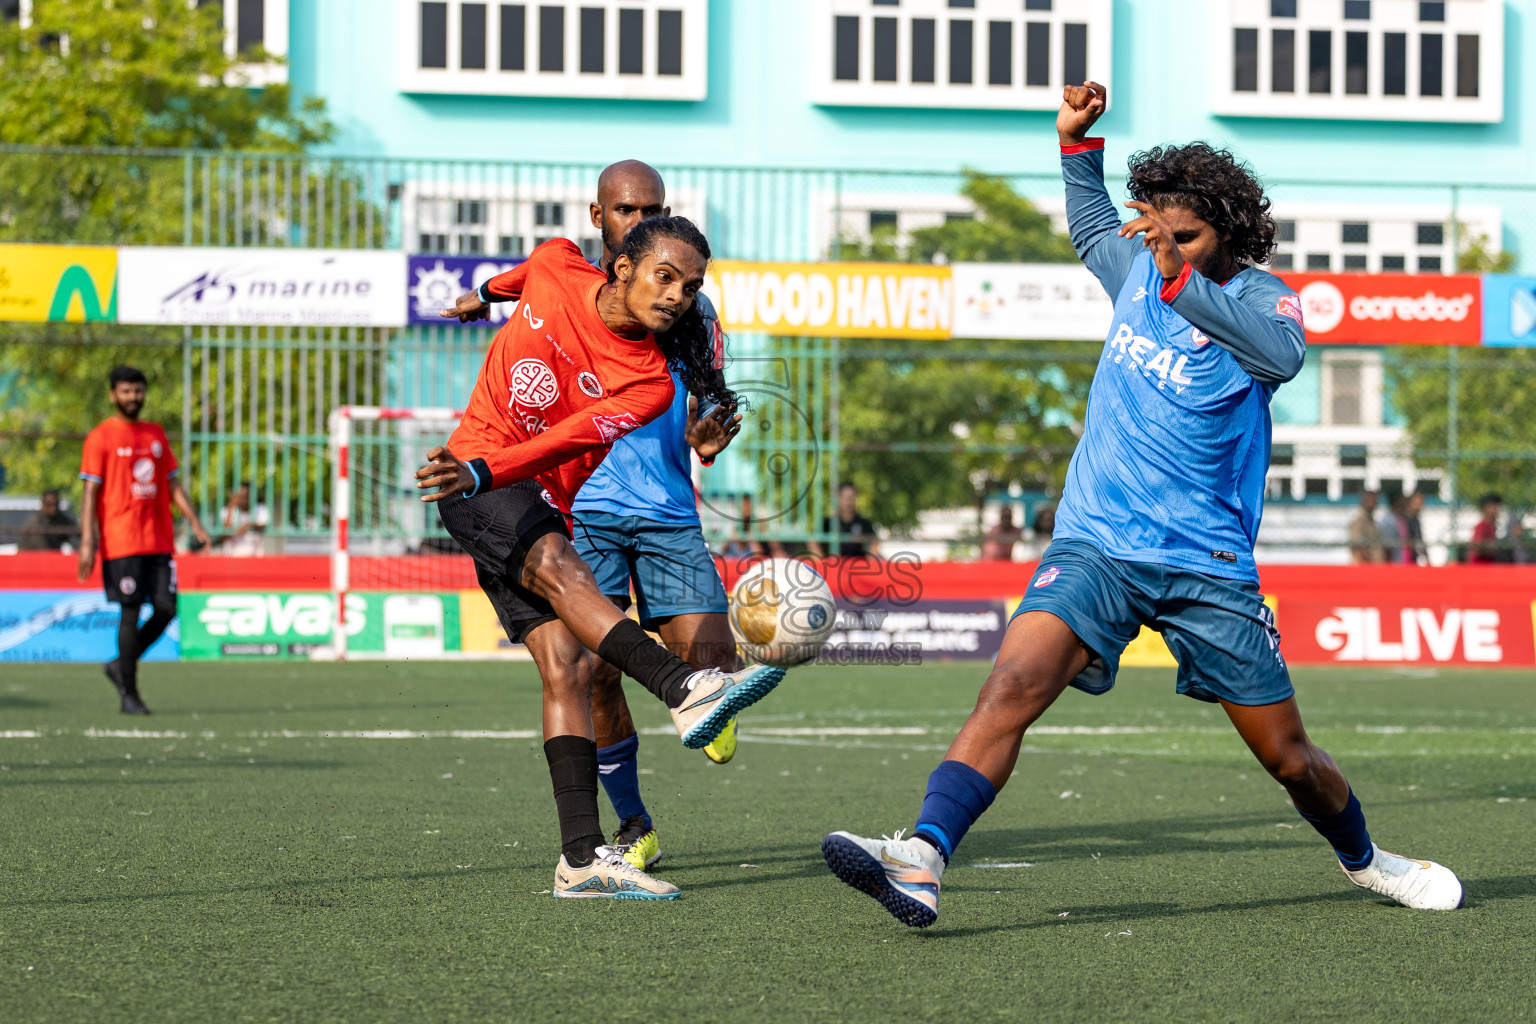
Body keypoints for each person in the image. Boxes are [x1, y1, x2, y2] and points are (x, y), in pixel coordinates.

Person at [821, 81, 1462, 928]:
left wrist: (1175, 276)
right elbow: (1092, 224)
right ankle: (924, 855)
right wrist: (1074, 144)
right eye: (1158, 231)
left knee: (1290, 759)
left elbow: (1281, 359)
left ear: (1227, 231)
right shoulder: (1133, 263)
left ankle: (1369, 860)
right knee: (1011, 682)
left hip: (1208, 564)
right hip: (1097, 542)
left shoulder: (1265, 301)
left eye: (1187, 235)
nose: (1169, 246)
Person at [420, 217, 786, 900]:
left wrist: (485, 471)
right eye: (665, 277)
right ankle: (685, 688)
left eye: (691, 286)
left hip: (505, 483)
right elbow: (525, 271)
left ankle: (581, 859)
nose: (678, 295)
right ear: (621, 267)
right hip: (482, 481)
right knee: (566, 576)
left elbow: (564, 440)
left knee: (568, 668)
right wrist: (484, 292)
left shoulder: (648, 384)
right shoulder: (559, 262)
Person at [568, 161, 747, 873]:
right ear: (599, 217)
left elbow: (712, 404)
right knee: (591, 674)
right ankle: (634, 824)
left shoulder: (692, 311)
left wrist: (706, 440)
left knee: (713, 670)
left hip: (668, 511)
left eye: (653, 209)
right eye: (625, 210)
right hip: (584, 511)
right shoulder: (571, 297)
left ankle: (695, 693)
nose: (639, 222)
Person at [77, 366, 212, 714]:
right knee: (130, 612)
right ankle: (129, 694)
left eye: (137, 391)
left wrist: (194, 521)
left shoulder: (155, 434)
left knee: (167, 608)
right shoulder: (101, 437)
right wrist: (88, 541)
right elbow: (90, 491)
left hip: (159, 541)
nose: (132, 397)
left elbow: (172, 483)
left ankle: (118, 665)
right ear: (113, 395)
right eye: (125, 391)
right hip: (121, 541)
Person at [810, 481, 878, 557]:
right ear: (839, 498)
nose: (848, 502)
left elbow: (874, 541)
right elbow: (812, 540)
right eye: (845, 498)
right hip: (833, 567)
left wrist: (869, 565)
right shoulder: (828, 522)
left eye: (851, 498)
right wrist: (822, 564)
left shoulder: (864, 523)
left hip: (857, 567)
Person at [218, 483, 269, 557]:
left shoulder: (260, 509)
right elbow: (223, 535)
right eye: (241, 496)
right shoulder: (226, 511)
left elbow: (264, 525)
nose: (244, 499)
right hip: (233, 557)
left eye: (246, 496)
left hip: (254, 556)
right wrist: (231, 507)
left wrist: (249, 525)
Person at [1347, 490, 1385, 564]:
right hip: (1365, 568)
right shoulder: (1359, 522)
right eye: (1373, 500)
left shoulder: (1372, 522)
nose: (1376, 503)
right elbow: (1358, 547)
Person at [1469, 492, 1502, 564]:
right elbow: (1477, 547)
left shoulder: (1492, 526)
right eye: (1494, 506)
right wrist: (1490, 547)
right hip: (1480, 566)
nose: (1497, 510)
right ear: (1485, 508)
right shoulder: (1482, 526)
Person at [1380, 493, 1410, 565]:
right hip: (1394, 563)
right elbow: (1387, 546)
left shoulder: (1401, 518)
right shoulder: (1388, 520)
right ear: (1397, 502)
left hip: (1403, 562)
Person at [1403, 490, 1428, 565]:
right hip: (1405, 556)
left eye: (1420, 504)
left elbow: (1419, 539)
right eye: (1416, 504)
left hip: (1414, 557)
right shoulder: (1405, 519)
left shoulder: (1416, 520)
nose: (1418, 507)